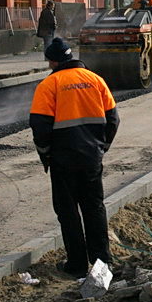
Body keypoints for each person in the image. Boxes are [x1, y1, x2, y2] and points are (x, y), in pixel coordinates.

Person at [30, 38, 119, 278]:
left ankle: (77, 264)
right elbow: (113, 119)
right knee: (94, 207)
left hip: (62, 160)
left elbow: (39, 125)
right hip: (91, 158)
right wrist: (103, 147)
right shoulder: (96, 80)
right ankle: (102, 262)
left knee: (68, 211)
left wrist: (46, 154)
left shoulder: (49, 85)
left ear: (54, 61)